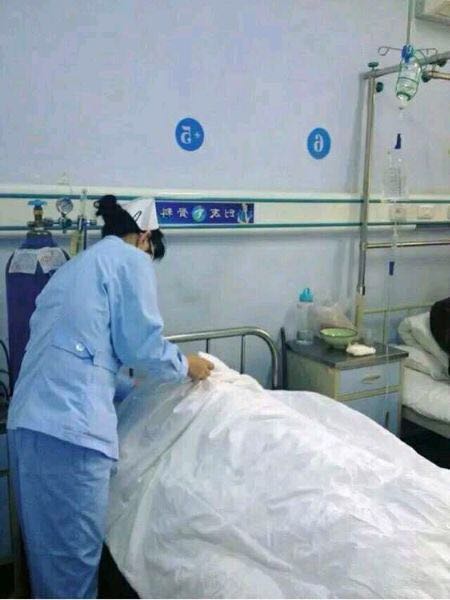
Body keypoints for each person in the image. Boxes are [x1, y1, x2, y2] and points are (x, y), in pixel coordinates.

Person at [7, 194, 214, 599]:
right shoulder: (129, 259)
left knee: (48, 559)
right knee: (72, 567)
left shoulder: (76, 268)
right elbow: (140, 344)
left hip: (31, 423)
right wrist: (184, 364)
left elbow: (84, 352)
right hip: (70, 435)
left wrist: (132, 390)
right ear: (144, 237)